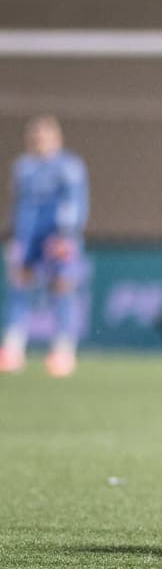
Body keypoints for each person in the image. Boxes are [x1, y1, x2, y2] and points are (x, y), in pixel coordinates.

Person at [0, 115, 88, 377]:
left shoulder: (69, 167)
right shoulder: (23, 168)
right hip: (28, 237)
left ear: (56, 139)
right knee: (19, 287)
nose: (40, 142)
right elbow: (18, 205)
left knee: (61, 289)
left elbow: (76, 203)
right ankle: (12, 349)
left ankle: (62, 350)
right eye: (36, 137)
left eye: (45, 137)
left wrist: (66, 235)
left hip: (58, 237)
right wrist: (15, 237)